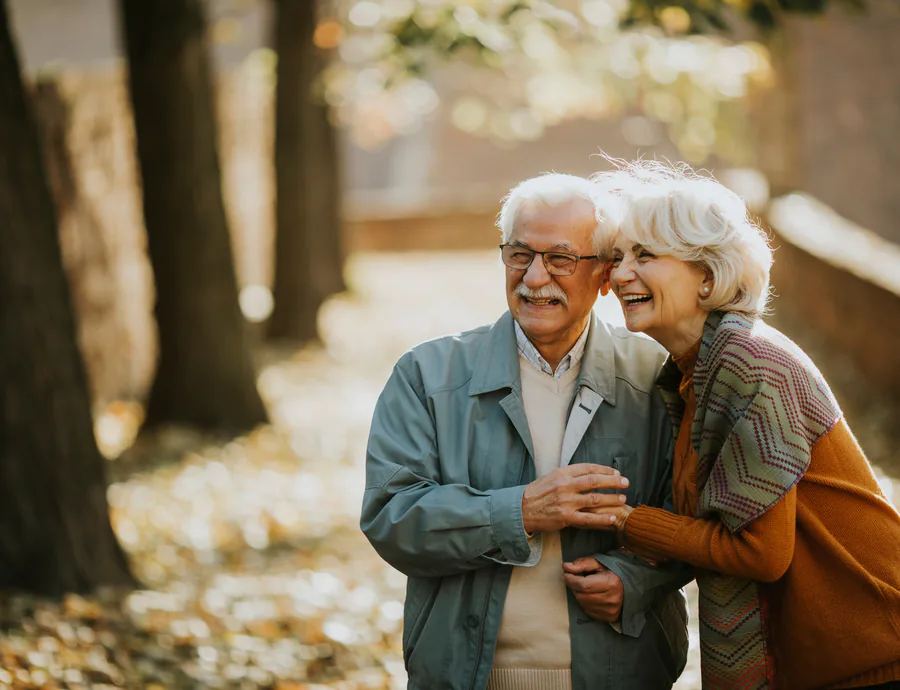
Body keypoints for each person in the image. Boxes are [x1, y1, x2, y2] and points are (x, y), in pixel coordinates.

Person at [361, 173, 691, 690]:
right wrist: (520, 512)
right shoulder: (427, 374)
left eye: (561, 259)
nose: (535, 278)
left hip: (620, 673)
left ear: (605, 274)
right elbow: (391, 517)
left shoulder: (657, 378)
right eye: (519, 254)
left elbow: (695, 522)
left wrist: (636, 581)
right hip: (465, 676)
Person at [592, 159, 900, 690]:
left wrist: (625, 519)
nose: (619, 274)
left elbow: (757, 552)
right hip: (824, 661)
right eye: (617, 257)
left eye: (644, 255)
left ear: (707, 276)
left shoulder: (750, 365)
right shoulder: (691, 377)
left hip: (872, 654)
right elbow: (706, 525)